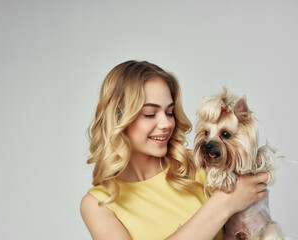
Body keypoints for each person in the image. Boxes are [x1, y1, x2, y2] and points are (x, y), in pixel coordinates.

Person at [80, 60, 269, 240]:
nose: (166, 123)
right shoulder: (99, 204)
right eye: (150, 114)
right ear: (119, 119)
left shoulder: (201, 164)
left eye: (169, 112)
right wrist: (223, 204)